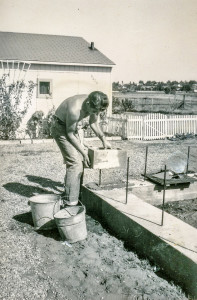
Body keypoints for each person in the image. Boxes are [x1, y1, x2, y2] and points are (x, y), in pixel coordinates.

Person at [51, 91, 111, 206]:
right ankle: (69, 202)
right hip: (60, 128)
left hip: (71, 127)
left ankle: (74, 193)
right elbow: (69, 134)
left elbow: (93, 122)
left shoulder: (94, 103)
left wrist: (103, 139)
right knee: (75, 163)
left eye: (98, 111)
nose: (96, 113)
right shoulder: (75, 110)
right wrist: (83, 151)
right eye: (94, 111)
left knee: (80, 161)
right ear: (88, 104)